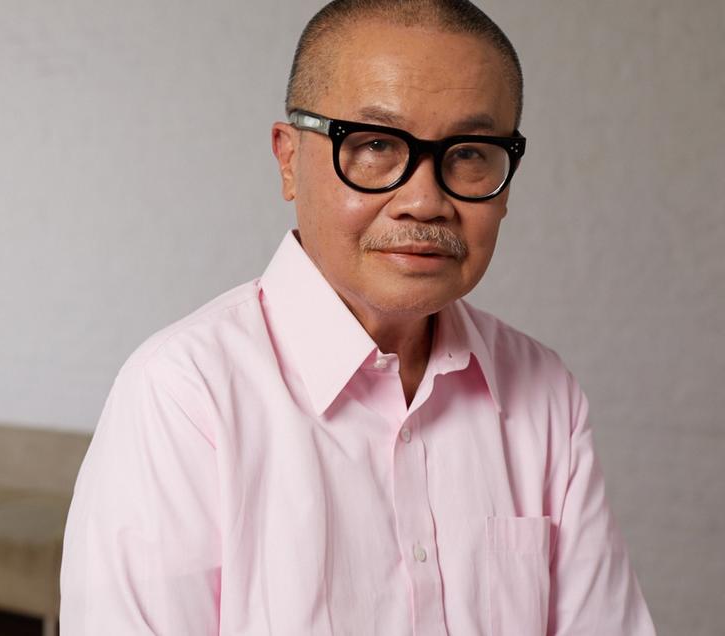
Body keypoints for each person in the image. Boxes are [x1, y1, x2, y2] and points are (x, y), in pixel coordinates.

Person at [59, 1, 657, 634]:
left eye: (470, 153)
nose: (425, 199)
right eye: (375, 145)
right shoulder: (186, 393)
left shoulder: (545, 394)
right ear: (289, 159)